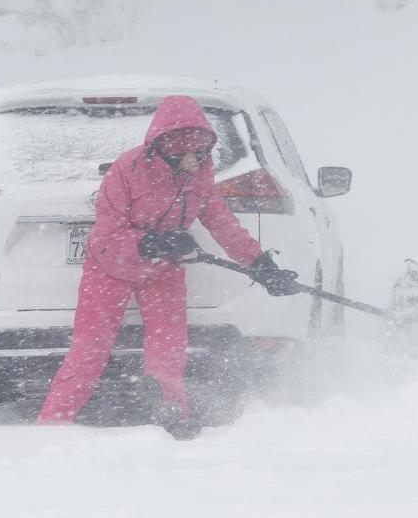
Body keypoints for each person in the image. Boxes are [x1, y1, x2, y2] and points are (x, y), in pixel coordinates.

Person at [36, 95, 298, 438]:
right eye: (186, 151)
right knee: (89, 352)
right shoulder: (127, 170)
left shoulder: (201, 176)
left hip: (162, 270)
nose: (195, 160)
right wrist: (151, 242)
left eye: (201, 152)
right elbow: (106, 234)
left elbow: (223, 225)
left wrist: (261, 266)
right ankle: (51, 425)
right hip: (109, 268)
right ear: (163, 146)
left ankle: (172, 415)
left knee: (168, 350)